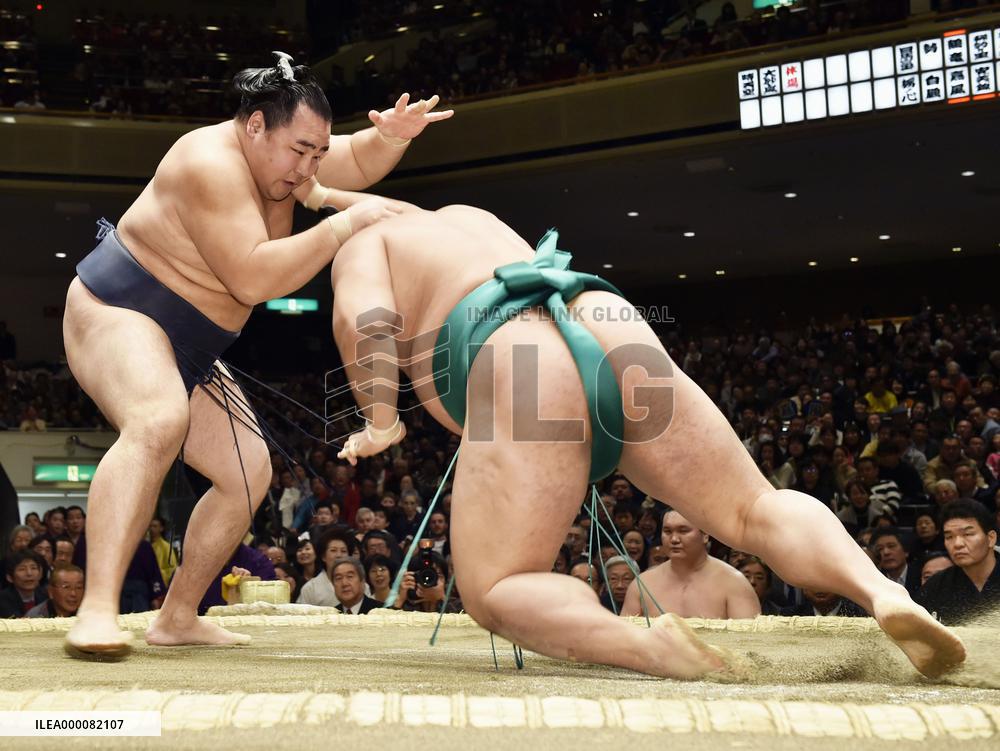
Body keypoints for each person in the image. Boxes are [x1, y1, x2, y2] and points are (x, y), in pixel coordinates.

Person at [326, 195, 965, 679]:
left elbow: (367, 322)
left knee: (494, 588)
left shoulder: (363, 245)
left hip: (518, 354)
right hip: (601, 314)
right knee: (753, 506)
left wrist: (381, 420)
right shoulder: (464, 215)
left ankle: (649, 646)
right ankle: (883, 592)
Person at [60, 53, 451, 659]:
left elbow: (356, 158)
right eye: (300, 151)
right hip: (120, 310)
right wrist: (343, 225)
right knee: (157, 419)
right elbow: (250, 278)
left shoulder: (294, 159)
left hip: (190, 344)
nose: (310, 167)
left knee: (247, 473)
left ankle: (178, 615)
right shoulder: (206, 164)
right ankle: (96, 610)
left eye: (317, 154)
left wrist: (387, 138)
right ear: (254, 127)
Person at [621, 509, 760, 619]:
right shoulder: (643, 584)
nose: (674, 539)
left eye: (683, 531)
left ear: (705, 534)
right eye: (667, 531)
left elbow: (749, 646)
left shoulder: (734, 583)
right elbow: (625, 643)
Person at [917, 499, 999, 624]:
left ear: (991, 538)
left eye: (968, 534)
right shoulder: (936, 586)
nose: (957, 544)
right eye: (949, 537)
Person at [0, 551, 48, 617]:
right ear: (10, 578)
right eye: (22, 569)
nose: (29, 573)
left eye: (33, 568)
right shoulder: (3, 600)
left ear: (40, 574)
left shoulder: (46, 595)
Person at [147, 516, 177, 586]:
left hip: (159, 584)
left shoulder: (166, 547)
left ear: (161, 528)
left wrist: (157, 574)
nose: (152, 529)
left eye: (155, 526)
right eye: (150, 526)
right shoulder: (145, 546)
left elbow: (172, 568)